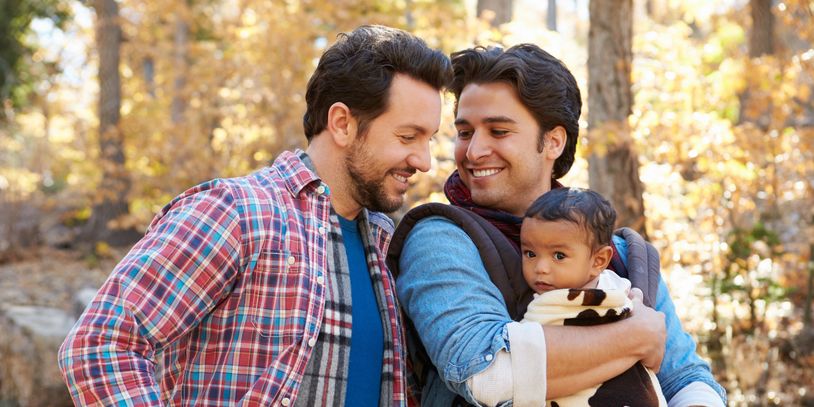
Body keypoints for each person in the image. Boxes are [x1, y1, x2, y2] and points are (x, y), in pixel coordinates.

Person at [58, 25, 451, 406]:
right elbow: (101, 344)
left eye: (428, 140)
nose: (424, 160)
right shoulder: (237, 212)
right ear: (343, 124)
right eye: (407, 137)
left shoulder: (383, 242)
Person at [391, 44, 726, 406]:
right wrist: (637, 336)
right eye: (466, 132)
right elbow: (485, 374)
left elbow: (687, 378)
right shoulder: (442, 238)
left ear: (553, 141)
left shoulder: (623, 254)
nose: (473, 152)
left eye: (499, 131)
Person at [520, 187, 666, 406]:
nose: (540, 268)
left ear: (599, 261)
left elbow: (518, 365)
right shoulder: (624, 290)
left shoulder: (548, 306)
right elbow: (653, 357)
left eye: (559, 256)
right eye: (530, 253)